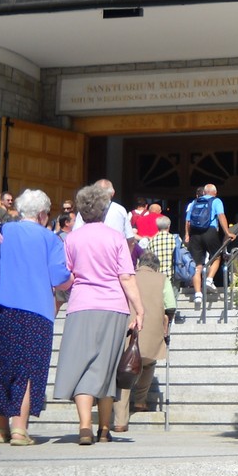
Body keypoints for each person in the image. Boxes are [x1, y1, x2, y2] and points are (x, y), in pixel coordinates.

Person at [54, 183, 144, 445]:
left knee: (81, 366)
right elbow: (126, 277)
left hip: (81, 305)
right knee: (107, 367)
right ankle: (104, 429)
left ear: (81, 211)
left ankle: (85, 427)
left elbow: (66, 277)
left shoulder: (72, 239)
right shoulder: (116, 238)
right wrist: (140, 309)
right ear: (104, 210)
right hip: (113, 306)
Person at [0, 189, 71, 445]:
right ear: (42, 214)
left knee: (0, 364)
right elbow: (59, 278)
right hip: (35, 308)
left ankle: (0, 428)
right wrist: (74, 279)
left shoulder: (3, 231)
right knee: (28, 367)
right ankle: (19, 430)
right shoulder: (50, 239)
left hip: (0, 305)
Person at [112, 250, 173, 432]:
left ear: (138, 264)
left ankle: (120, 421)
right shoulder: (162, 279)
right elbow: (171, 306)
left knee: (124, 372)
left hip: (128, 331)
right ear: (156, 268)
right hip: (152, 331)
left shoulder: (128, 277)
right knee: (148, 363)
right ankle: (140, 401)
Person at [185, 184, 236, 308]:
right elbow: (221, 216)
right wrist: (227, 232)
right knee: (217, 256)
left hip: (195, 234)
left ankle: (198, 294)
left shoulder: (194, 202)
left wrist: (187, 234)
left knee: (197, 265)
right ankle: (209, 279)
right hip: (210, 232)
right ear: (215, 192)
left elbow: (188, 221)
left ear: (204, 192)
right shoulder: (216, 201)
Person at [73, 179, 135, 254]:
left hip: (87, 254)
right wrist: (125, 257)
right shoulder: (120, 210)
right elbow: (130, 240)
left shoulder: (85, 209)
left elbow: (75, 235)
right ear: (113, 193)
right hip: (114, 255)